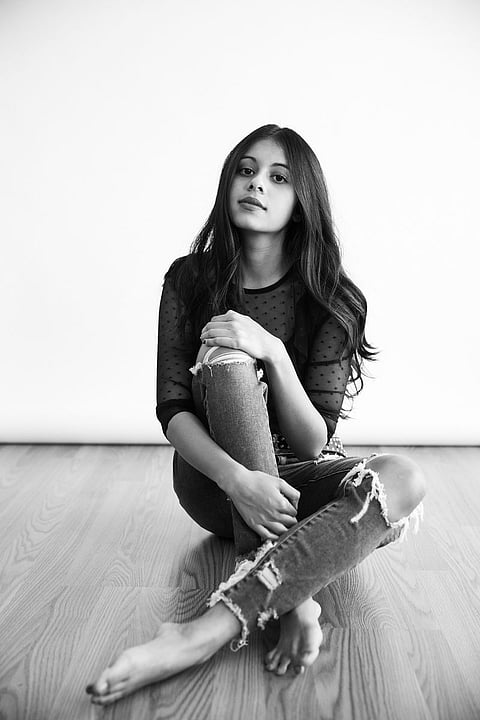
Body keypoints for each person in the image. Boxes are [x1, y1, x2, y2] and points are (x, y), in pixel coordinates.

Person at [86, 124, 426, 706]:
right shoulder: (190, 278)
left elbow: (313, 441)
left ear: (303, 201)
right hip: (216, 482)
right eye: (245, 171)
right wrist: (239, 480)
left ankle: (206, 631)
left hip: (295, 481)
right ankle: (295, 593)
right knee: (226, 355)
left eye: (278, 177)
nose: (257, 184)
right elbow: (172, 410)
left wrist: (272, 349)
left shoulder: (335, 297)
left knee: (404, 480)